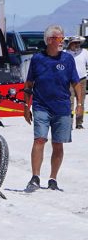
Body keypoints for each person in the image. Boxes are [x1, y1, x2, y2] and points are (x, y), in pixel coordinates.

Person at [23, 25, 83, 192]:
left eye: (63, 37)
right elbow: (28, 84)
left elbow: (76, 83)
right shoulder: (37, 59)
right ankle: (35, 177)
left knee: (58, 144)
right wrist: (25, 106)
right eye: (59, 38)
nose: (62, 41)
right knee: (39, 139)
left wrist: (79, 104)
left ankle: (53, 179)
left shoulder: (67, 59)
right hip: (41, 106)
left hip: (62, 108)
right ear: (49, 40)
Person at [65, 36, 87, 129]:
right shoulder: (65, 53)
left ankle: (79, 123)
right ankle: (69, 123)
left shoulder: (85, 52)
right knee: (69, 101)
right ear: (70, 44)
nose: (77, 44)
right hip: (69, 80)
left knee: (81, 101)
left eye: (78, 43)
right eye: (74, 43)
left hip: (81, 79)